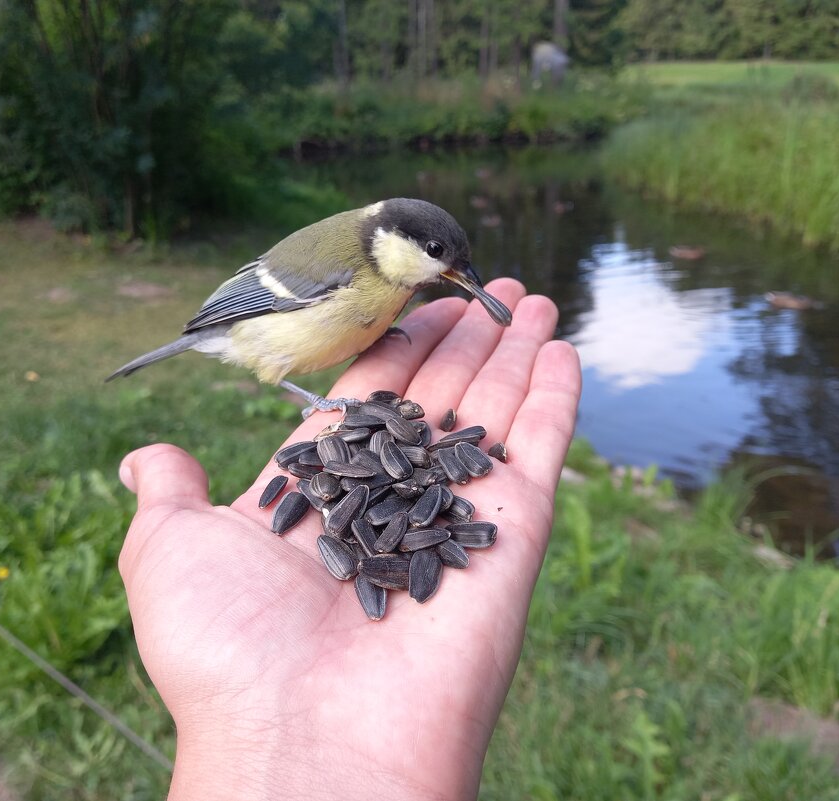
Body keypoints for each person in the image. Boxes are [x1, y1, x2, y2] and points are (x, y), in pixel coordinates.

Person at [117, 279, 581, 800]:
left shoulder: (384, 289)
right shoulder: (344, 268)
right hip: (256, 332)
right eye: (434, 255)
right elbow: (258, 306)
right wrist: (320, 401)